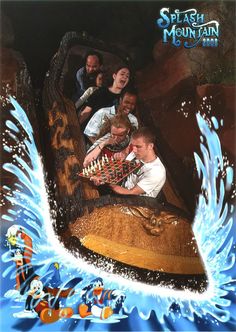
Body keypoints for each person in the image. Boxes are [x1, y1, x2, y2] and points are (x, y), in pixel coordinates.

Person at [110, 127, 166, 198]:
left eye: (138, 146)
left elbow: (131, 192)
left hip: (136, 203)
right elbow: (121, 171)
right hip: (122, 191)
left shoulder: (157, 172)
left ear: (150, 146)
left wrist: (108, 184)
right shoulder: (135, 153)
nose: (134, 150)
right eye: (132, 145)